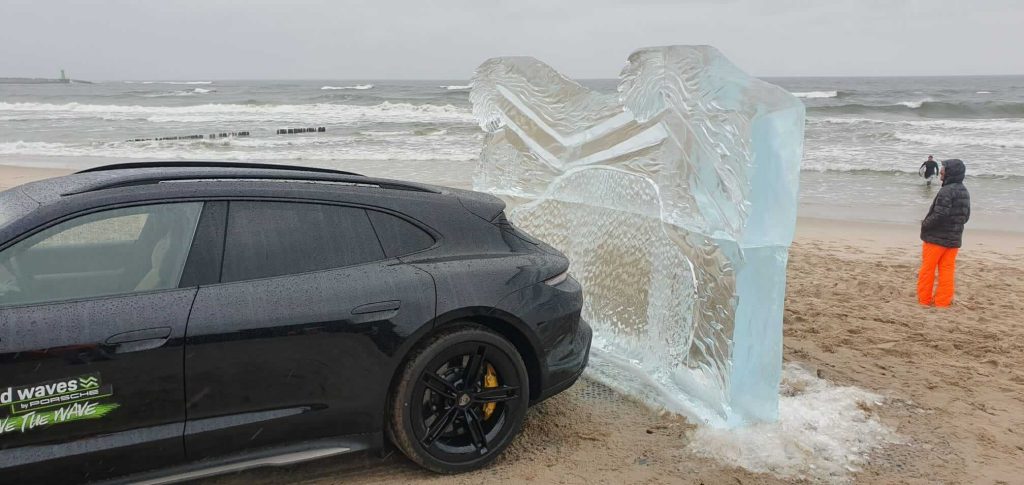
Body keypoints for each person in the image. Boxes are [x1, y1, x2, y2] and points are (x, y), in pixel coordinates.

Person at [917, 159, 970, 307]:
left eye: (943, 169)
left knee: (927, 270)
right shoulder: (964, 190)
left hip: (936, 239)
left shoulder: (946, 191)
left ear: (950, 173)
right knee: (947, 271)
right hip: (954, 239)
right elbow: (965, 217)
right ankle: (942, 302)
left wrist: (924, 224)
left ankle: (924, 300)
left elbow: (940, 214)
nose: (940, 171)